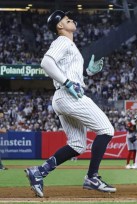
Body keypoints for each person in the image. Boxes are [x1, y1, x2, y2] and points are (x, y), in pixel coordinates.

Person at [24, 10, 116, 198]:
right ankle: (92, 176)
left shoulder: (70, 45)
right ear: (60, 26)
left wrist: (87, 73)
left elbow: (70, 74)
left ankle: (39, 172)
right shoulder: (63, 41)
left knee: (77, 145)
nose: (72, 20)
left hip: (63, 97)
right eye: (67, 19)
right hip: (69, 96)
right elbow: (46, 63)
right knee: (107, 130)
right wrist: (67, 82)